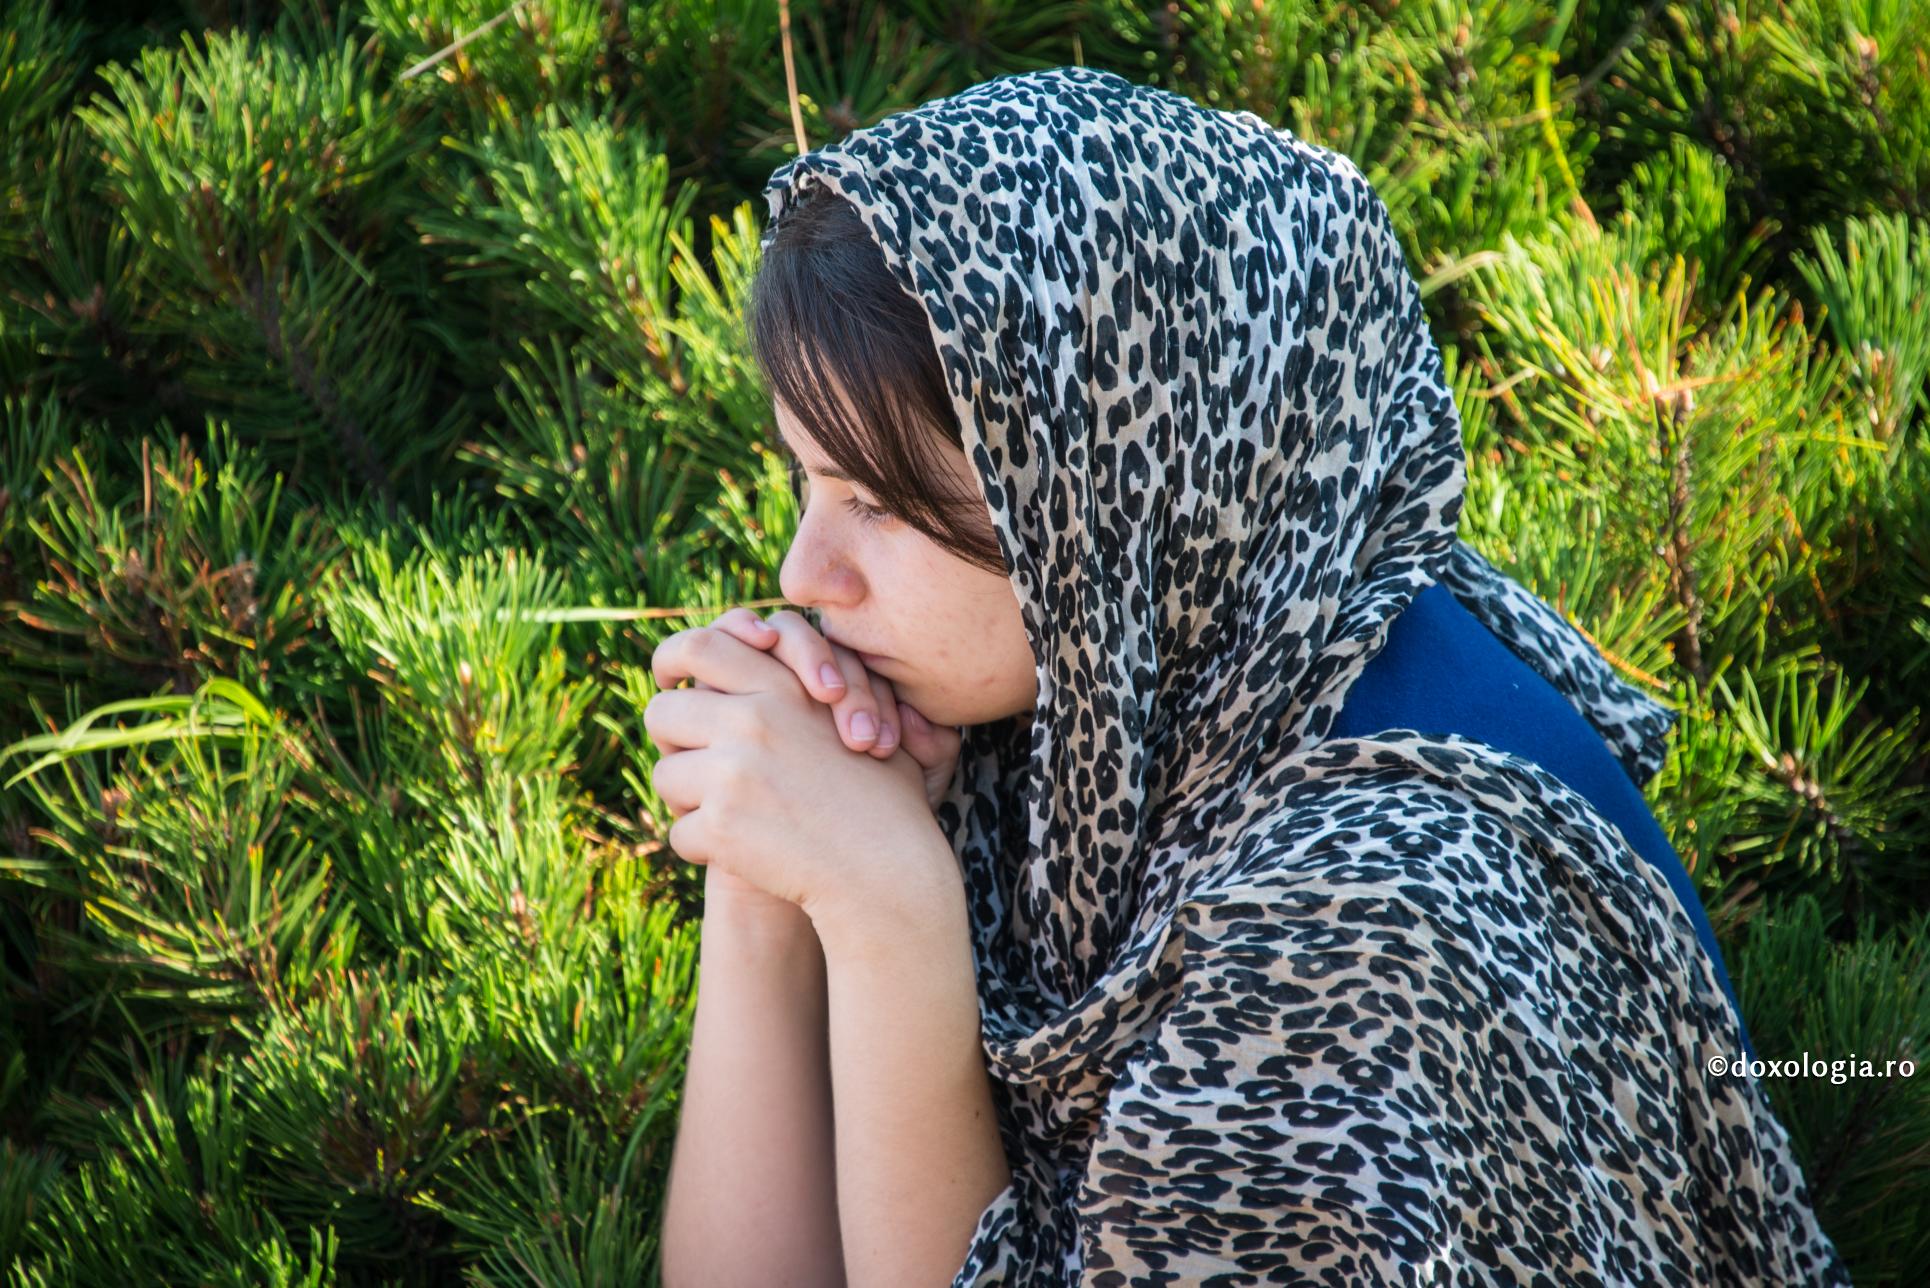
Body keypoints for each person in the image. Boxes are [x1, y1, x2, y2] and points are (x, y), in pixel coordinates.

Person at [650, 65, 1850, 1286]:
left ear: (1121, 487)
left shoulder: (1357, 941)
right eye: (808, 480)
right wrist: (766, 893)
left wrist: (887, 917)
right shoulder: (1113, 699)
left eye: (883, 501)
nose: (806, 573)